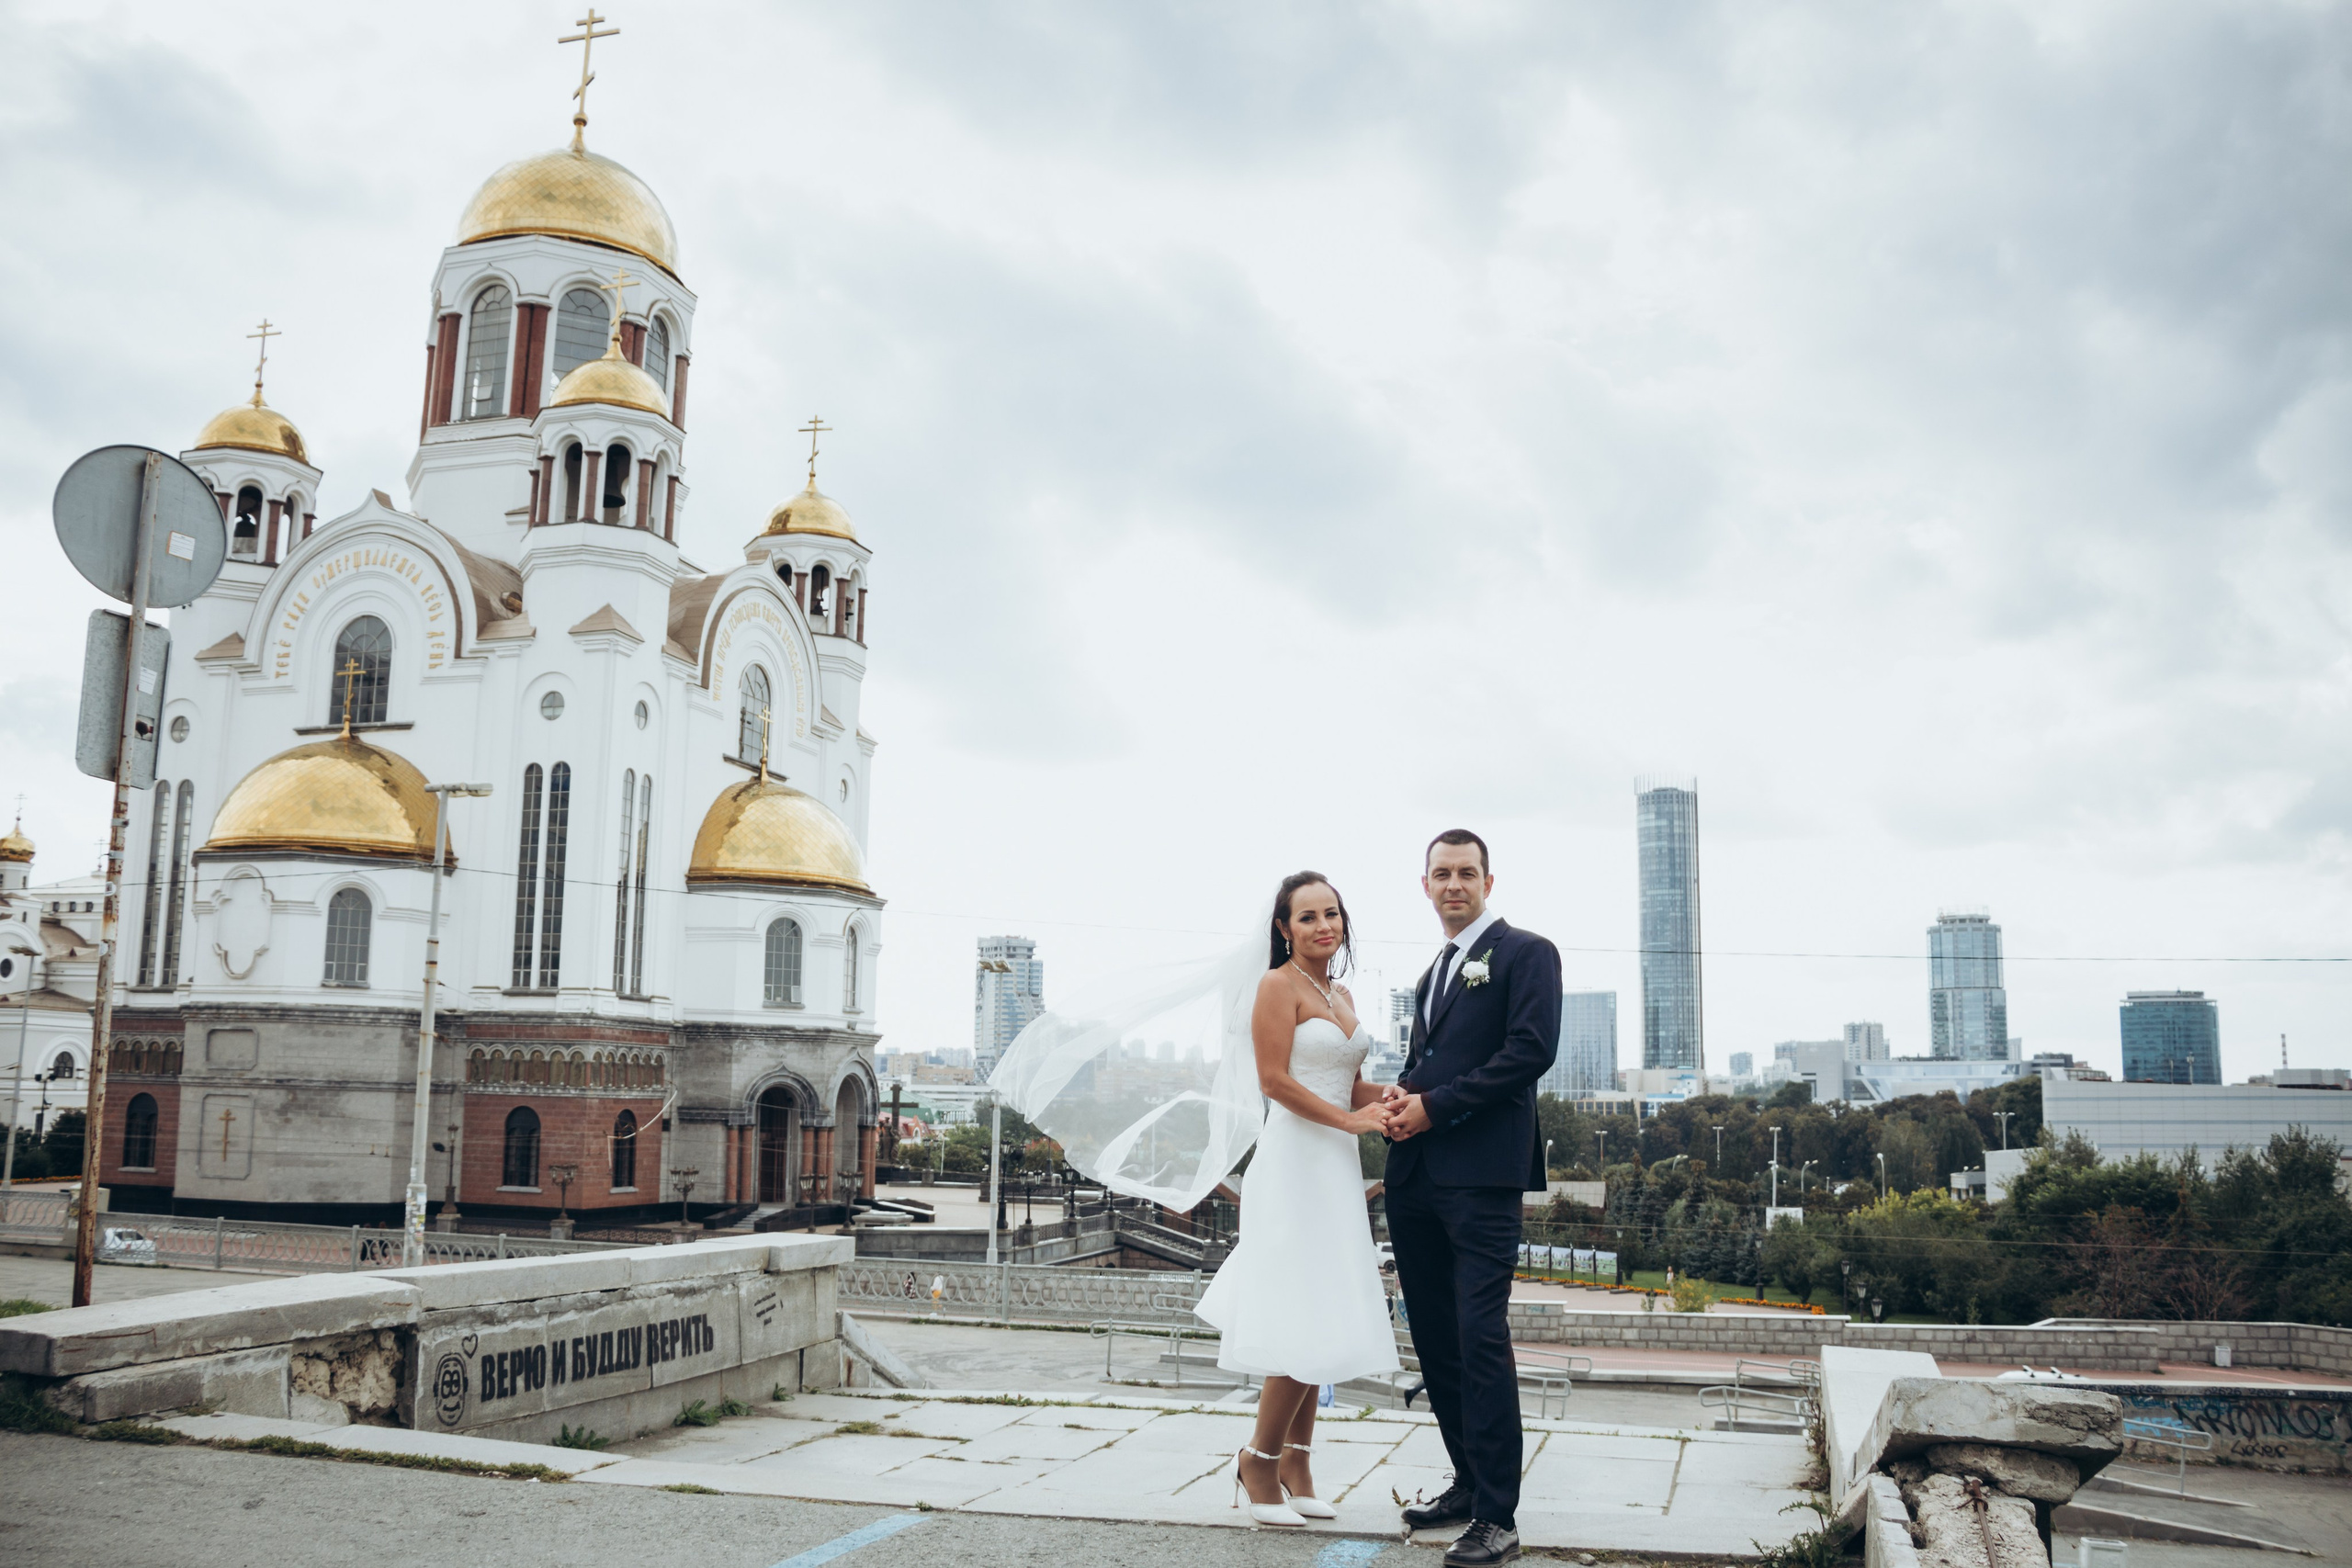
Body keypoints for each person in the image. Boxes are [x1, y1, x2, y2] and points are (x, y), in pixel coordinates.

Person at [1193, 870, 1401, 1527]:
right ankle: (1259, 1457)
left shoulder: (1338, 991)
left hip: (1335, 1165)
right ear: (1284, 926)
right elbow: (1276, 1081)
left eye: (1331, 914)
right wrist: (1351, 1122)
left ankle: (1298, 1458)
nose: (1323, 926)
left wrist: (1391, 1099)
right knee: (1299, 1306)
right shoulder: (1276, 985)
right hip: (1293, 1163)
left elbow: (1348, 1084)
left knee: (1328, 1303)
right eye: (1307, 916)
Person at [1382, 829, 1562, 1567]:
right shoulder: (1435, 971)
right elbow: (1430, 1060)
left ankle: (1499, 1516)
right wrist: (1403, 1094)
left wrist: (1435, 1104)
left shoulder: (1528, 953)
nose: (1453, 883)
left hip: (1482, 1178)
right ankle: (1466, 1482)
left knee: (1480, 1338)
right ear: (1424, 884)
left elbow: (1529, 1052)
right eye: (1441, 873)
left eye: (1466, 872)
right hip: (1416, 1177)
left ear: (1489, 879)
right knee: (1436, 1340)